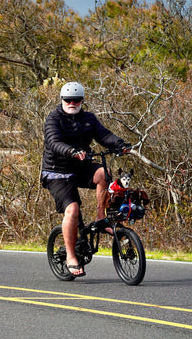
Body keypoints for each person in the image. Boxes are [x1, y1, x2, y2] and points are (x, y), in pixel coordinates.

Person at [42, 82, 130, 277]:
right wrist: (71, 151)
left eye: (76, 100)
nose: (72, 103)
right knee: (72, 209)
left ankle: (101, 216)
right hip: (57, 172)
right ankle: (71, 256)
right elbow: (54, 142)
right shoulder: (53, 118)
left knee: (102, 173)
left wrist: (120, 144)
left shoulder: (88, 118)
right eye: (68, 100)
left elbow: (104, 135)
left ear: (82, 101)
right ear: (62, 100)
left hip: (80, 166)